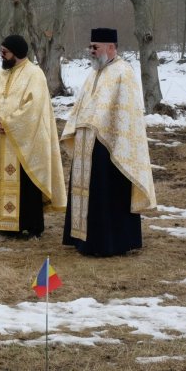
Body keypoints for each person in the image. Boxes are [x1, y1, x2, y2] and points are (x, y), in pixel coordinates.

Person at [61, 28, 156, 256]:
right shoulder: (94, 72)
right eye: (90, 47)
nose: (91, 51)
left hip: (111, 145)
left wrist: (106, 131)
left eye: (96, 47)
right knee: (88, 192)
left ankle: (110, 242)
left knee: (107, 193)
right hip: (87, 142)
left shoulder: (124, 72)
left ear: (111, 47)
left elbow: (128, 114)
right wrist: (76, 126)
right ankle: (84, 239)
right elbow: (82, 104)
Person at [0, 35, 66, 238]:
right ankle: (3, 223)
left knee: (25, 183)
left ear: (16, 53)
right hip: (0, 140)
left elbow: (33, 106)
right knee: (2, 179)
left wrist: (8, 123)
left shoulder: (34, 74)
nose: (2, 55)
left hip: (25, 141)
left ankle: (28, 225)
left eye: (5, 52)